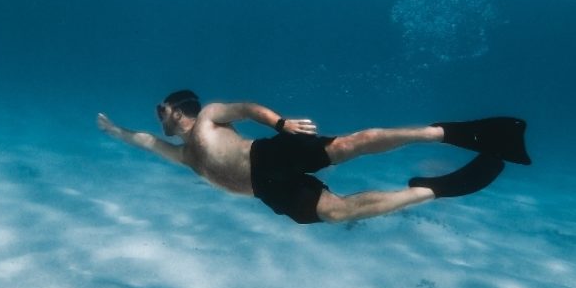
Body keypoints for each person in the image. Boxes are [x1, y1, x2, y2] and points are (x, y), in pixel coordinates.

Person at [96, 90, 530, 224]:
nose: (158, 120)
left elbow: (245, 108)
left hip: (269, 153)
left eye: (161, 111)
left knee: (350, 145)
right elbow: (146, 144)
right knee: (339, 214)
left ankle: (453, 133)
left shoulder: (208, 117)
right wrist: (117, 132)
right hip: (266, 189)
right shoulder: (184, 155)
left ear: (178, 109)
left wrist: (279, 123)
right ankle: (437, 189)